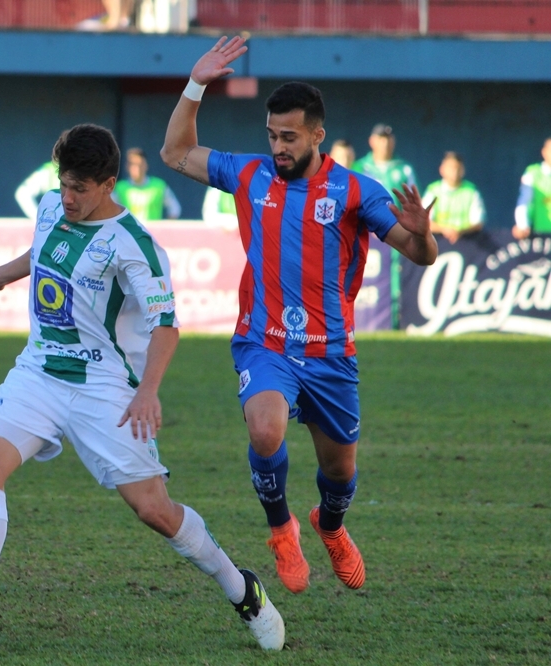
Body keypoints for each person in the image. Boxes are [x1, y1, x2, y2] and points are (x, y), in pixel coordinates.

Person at [0, 123, 285, 651]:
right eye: (63, 184)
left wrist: (148, 391)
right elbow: (44, 250)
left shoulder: (133, 245)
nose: (68, 197)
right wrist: (5, 272)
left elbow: (166, 325)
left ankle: (241, 588)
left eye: (80, 188)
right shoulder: (51, 207)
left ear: (109, 184)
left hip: (105, 388)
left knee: (154, 509)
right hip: (39, 372)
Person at [160, 37, 437, 595]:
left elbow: (419, 254)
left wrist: (423, 233)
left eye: (289, 137)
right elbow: (174, 153)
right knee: (265, 431)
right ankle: (282, 529)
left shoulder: (355, 190)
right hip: (265, 342)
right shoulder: (249, 174)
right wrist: (196, 85)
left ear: (317, 135)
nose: (278, 147)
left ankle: (329, 527)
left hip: (331, 353)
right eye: (272, 135)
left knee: (339, 471)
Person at [352, 124, 418, 329]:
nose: (385, 143)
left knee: (396, 277)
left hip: (393, 231)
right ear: (372, 141)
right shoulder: (359, 167)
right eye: (380, 138)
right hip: (365, 233)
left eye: (388, 138)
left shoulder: (404, 168)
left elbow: (414, 203)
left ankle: (397, 321)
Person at [422, 152, 486, 244]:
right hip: (438, 243)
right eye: (451, 168)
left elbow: (478, 223)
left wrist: (459, 232)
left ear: (463, 170)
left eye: (457, 168)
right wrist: (444, 230)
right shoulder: (433, 191)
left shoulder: (471, 191)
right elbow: (424, 222)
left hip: (467, 243)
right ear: (442, 169)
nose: (454, 172)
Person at [114, 148, 182, 220]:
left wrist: (166, 226)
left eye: (140, 164)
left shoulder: (159, 186)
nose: (136, 168)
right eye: (132, 164)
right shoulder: (119, 188)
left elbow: (175, 209)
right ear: (127, 166)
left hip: (153, 228)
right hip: (128, 227)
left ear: (146, 165)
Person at [513, 137, 551, 239]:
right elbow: (524, 201)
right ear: (544, 152)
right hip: (541, 236)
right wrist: (522, 226)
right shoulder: (533, 173)